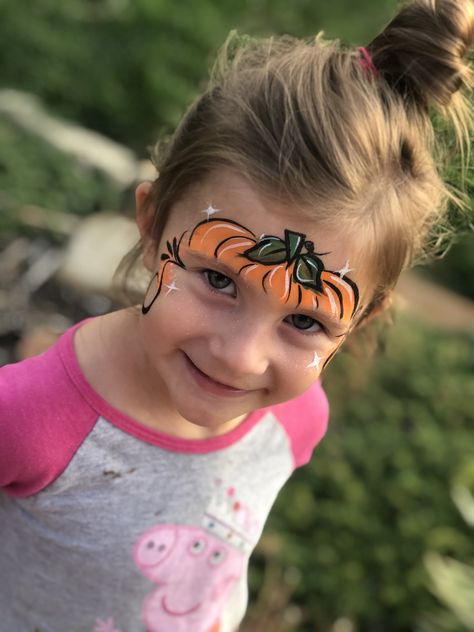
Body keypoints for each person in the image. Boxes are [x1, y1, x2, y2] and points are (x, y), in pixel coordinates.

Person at [1, 0, 472, 630]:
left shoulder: (295, 420)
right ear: (150, 225)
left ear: (360, 320)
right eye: (220, 279)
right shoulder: (28, 418)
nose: (242, 356)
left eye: (305, 321)